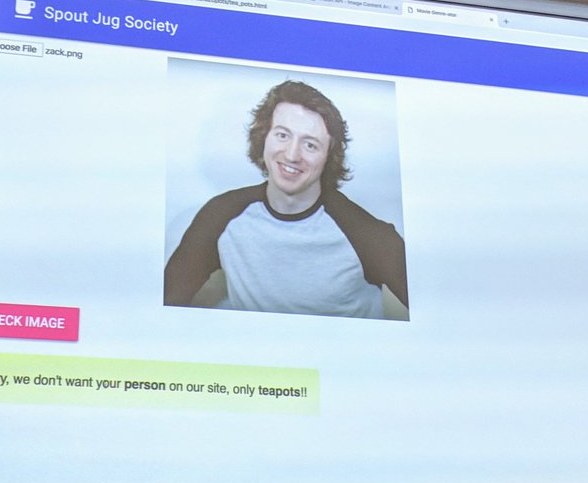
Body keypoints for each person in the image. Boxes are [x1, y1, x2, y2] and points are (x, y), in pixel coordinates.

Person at [163, 80, 409, 319]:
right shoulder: (220, 215)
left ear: (329, 156)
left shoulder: (364, 233)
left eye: (310, 145)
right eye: (282, 135)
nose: (292, 155)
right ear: (264, 137)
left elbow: (429, 309)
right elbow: (164, 304)